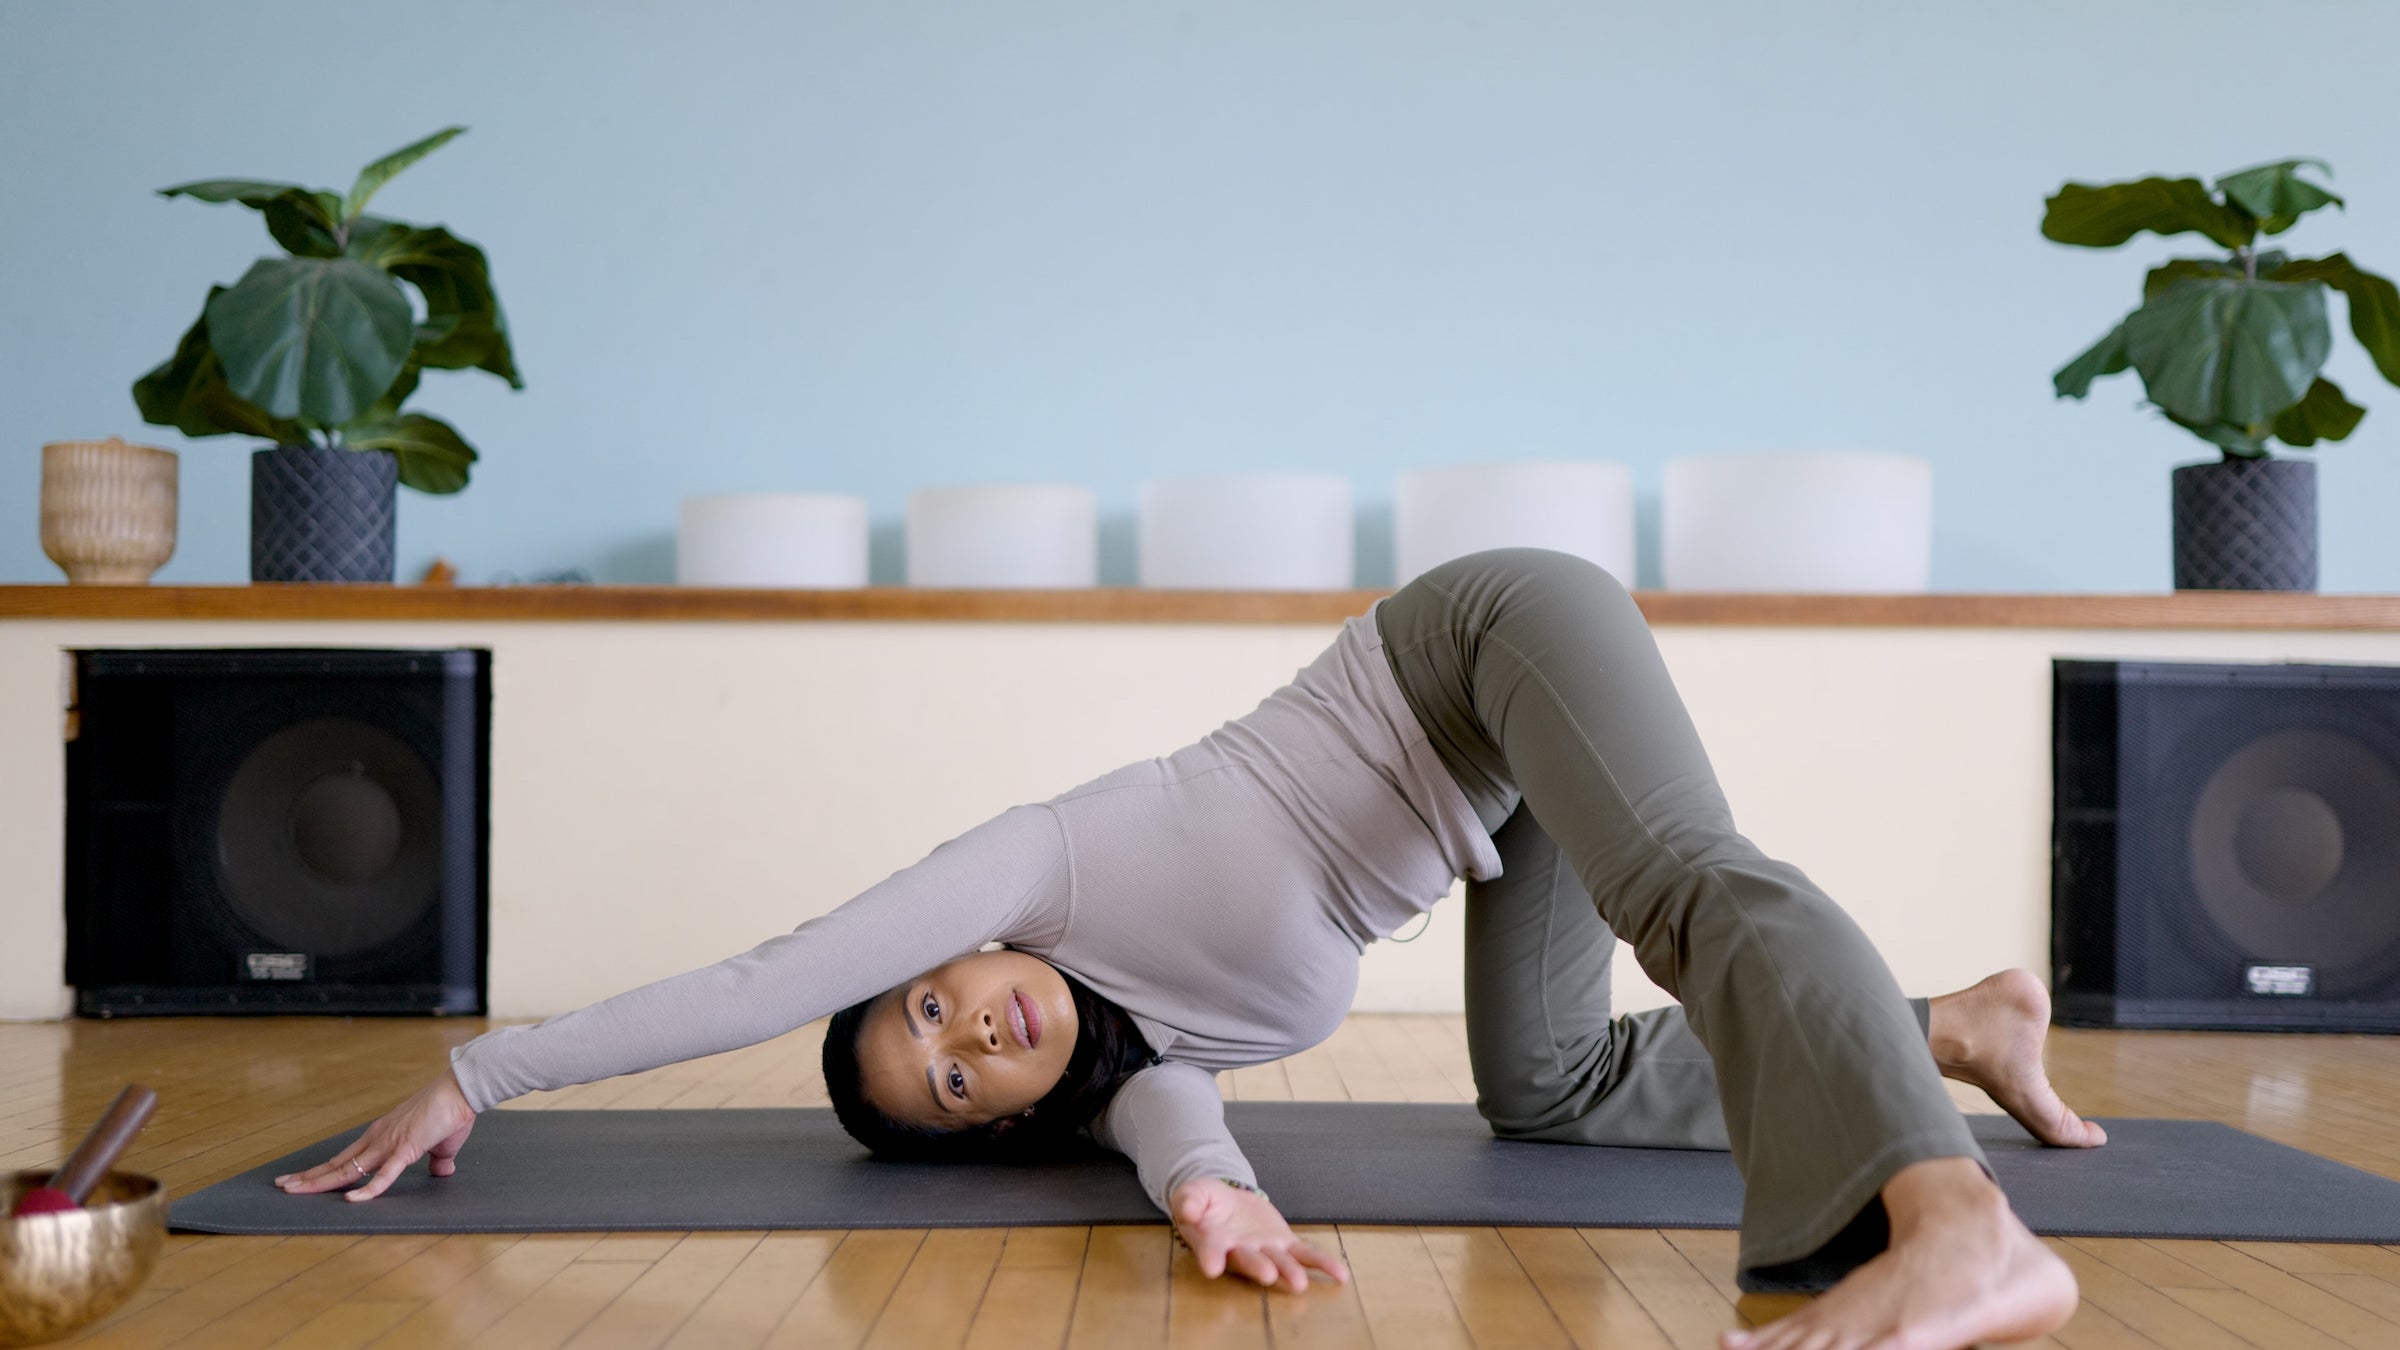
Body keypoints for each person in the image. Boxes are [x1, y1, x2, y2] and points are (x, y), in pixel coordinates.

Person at [278, 548, 2097, 1350]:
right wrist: (1220, 1216)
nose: (973, 1024)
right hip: (1490, 795)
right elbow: (1190, 1153)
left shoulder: (1036, 864)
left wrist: (480, 1070)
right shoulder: (1147, 1064)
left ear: (954, 948)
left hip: (1480, 644)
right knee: (1547, 1081)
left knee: (1690, 887)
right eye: (965, 1076)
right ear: (1012, 1116)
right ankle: (1956, 1021)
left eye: (933, 1007)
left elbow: (767, 975)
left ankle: (1951, 1225)